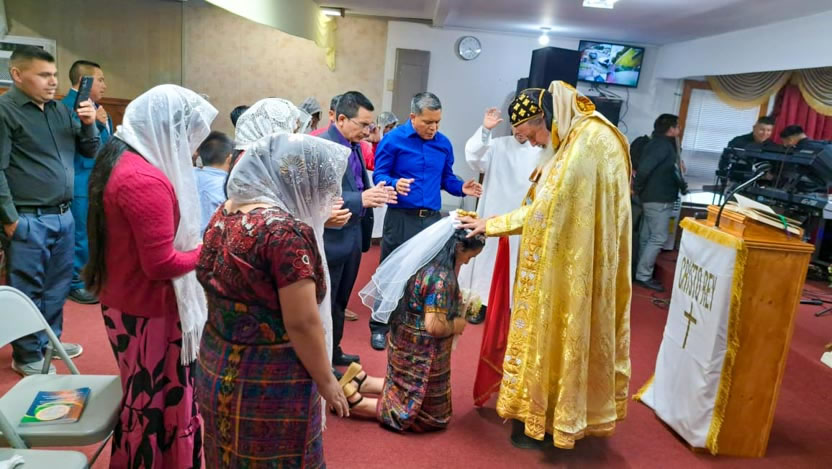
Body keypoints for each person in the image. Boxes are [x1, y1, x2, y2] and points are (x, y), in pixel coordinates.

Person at [460, 81, 632, 449]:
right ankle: (548, 411)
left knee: (560, 334)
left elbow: (545, 212)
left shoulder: (584, 143)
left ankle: (552, 417)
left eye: (531, 135)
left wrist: (492, 224)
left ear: (544, 119)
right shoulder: (576, 136)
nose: (534, 144)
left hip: (573, 265)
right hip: (566, 255)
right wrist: (491, 223)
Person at [196, 132, 350, 468]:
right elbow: (302, 322)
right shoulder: (283, 233)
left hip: (216, 362)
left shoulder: (226, 212)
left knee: (225, 455)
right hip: (268, 383)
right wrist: (327, 380)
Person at [83, 84, 217, 466]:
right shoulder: (145, 180)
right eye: (188, 137)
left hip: (126, 299)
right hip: (149, 311)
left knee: (148, 400)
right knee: (157, 404)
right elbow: (160, 265)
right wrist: (210, 248)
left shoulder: (123, 157)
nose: (191, 150)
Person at [0, 46, 100, 375]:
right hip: (28, 217)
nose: (52, 81)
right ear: (17, 75)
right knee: (28, 287)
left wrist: (89, 124)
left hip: (63, 214)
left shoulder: (60, 111)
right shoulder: (5, 111)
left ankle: (49, 342)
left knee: (57, 287)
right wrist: (10, 219)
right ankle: (26, 353)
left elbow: (89, 150)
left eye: (54, 75)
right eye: (43, 75)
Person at [349, 211, 485, 431]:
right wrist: (457, 324)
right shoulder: (441, 279)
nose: (468, 261)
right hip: (421, 351)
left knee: (417, 393)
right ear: (459, 247)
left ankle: (363, 381)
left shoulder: (426, 259)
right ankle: (359, 403)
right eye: (471, 256)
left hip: (403, 339)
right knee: (432, 417)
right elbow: (434, 326)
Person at [370, 92, 483, 350]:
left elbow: (446, 179)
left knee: (427, 273)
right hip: (401, 218)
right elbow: (379, 174)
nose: (434, 128)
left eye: (437, 122)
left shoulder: (443, 144)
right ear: (413, 117)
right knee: (392, 270)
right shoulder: (393, 140)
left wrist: (461, 187)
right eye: (428, 122)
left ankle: (416, 323)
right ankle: (380, 326)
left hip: (431, 221)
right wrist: (393, 183)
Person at [316, 91, 396, 368]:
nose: (368, 131)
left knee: (340, 300)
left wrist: (375, 192)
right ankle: (321, 362)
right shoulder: (322, 147)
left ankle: (334, 350)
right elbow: (318, 196)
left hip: (352, 233)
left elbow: (357, 184)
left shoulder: (354, 146)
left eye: (370, 125)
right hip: (331, 236)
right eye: (363, 124)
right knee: (324, 303)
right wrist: (360, 199)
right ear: (340, 119)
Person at [458, 107, 541, 326]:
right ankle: (478, 304)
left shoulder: (541, 151)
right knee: (486, 259)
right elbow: (474, 158)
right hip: (493, 212)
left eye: (524, 126)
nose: (519, 131)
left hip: (521, 217)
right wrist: (485, 130)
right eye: (515, 126)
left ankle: (511, 306)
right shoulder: (497, 145)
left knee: (517, 260)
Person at [58, 59, 112, 305]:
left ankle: (90, 277)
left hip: (97, 179)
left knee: (93, 233)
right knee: (80, 234)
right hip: (78, 179)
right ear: (84, 81)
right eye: (100, 80)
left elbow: (107, 147)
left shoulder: (97, 108)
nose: (104, 85)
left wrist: (102, 123)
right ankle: (76, 283)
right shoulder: (65, 109)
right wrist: (97, 124)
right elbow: (79, 146)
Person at [633, 114, 686, 292]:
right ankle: (643, 275)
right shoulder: (663, 146)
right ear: (671, 129)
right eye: (677, 126)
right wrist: (637, 188)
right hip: (659, 199)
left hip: (651, 197)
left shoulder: (657, 143)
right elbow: (645, 169)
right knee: (658, 237)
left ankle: (640, 272)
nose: (679, 129)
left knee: (647, 236)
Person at [193, 131, 233, 234]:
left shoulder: (187, 176)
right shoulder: (229, 186)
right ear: (230, 158)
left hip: (183, 240)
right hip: (213, 240)